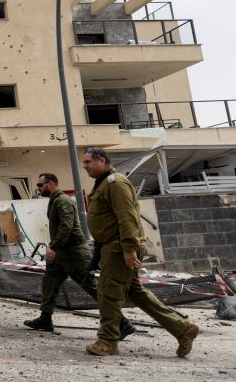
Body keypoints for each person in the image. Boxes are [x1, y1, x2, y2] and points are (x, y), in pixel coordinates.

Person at [82, 147, 199, 356]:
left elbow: (127, 218)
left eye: (88, 162)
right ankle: (183, 329)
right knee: (137, 293)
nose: (85, 167)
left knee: (108, 293)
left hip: (119, 247)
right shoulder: (104, 184)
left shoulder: (115, 183)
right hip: (113, 247)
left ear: (101, 161)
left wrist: (128, 249)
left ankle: (107, 341)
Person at [24, 173, 135, 340]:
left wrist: (53, 246)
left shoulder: (63, 201)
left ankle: (122, 323)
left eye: (40, 185)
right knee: (49, 283)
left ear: (51, 184)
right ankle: (45, 318)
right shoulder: (55, 201)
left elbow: (66, 226)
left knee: (93, 288)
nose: (38, 189)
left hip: (74, 253)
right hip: (61, 254)